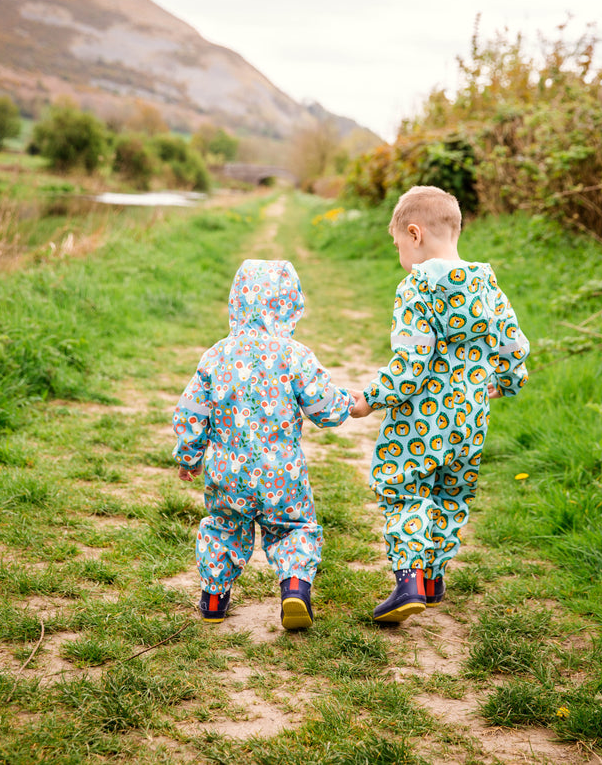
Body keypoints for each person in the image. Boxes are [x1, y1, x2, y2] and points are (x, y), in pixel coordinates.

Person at [351, 186, 530, 623]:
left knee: (405, 489)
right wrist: (505, 383)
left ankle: (408, 579)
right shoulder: (488, 285)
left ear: (414, 234)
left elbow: (411, 363)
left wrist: (370, 401)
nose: (399, 255)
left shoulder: (418, 287)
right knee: (451, 494)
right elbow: (514, 346)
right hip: (470, 418)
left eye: (397, 245)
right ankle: (433, 579)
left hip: (420, 420)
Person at [172, 258, 355, 629]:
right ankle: (295, 590)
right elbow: (326, 407)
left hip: (227, 474)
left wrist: (189, 457)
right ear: (291, 305)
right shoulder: (294, 355)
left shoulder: (216, 355)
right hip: (282, 473)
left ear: (236, 303)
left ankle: (212, 600)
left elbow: (191, 411)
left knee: (223, 528)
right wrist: (347, 403)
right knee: (294, 528)